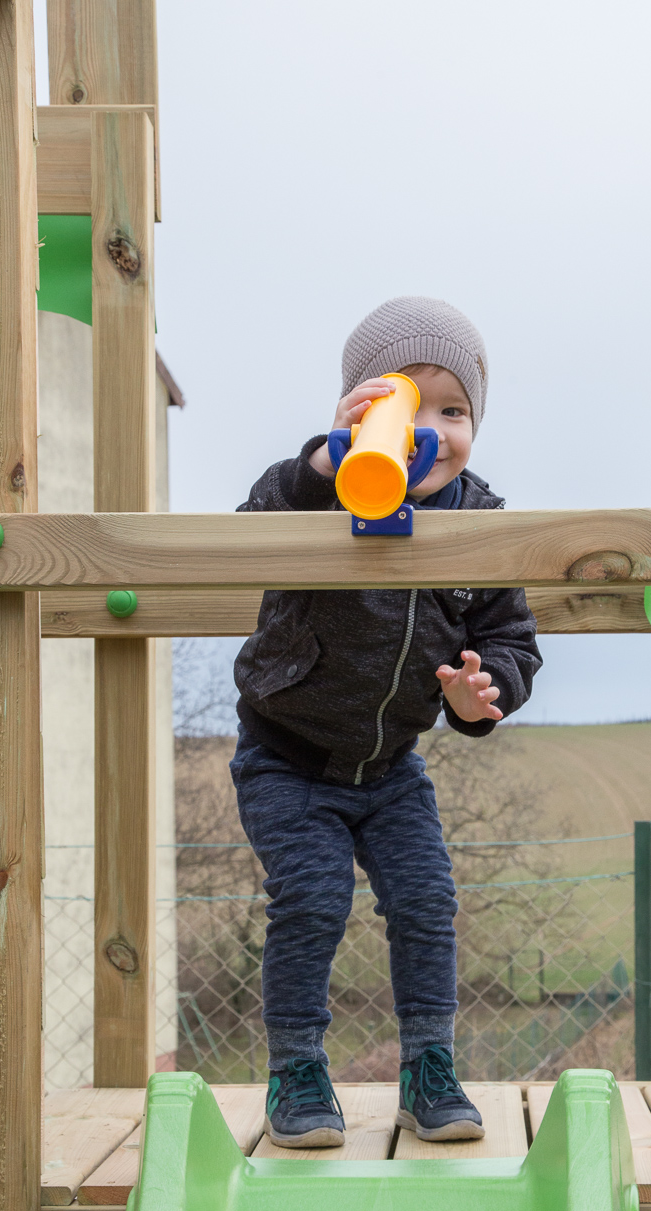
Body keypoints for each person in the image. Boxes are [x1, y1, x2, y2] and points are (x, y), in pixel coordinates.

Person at [232, 296, 542, 1147]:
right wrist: (320, 470)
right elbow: (250, 532)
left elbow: (508, 637)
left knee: (426, 897)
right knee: (314, 898)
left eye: (456, 412)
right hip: (286, 756)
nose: (433, 432)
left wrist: (486, 693)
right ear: (364, 411)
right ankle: (297, 1071)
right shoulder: (314, 491)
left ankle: (428, 1069)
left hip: (392, 765)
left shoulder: (480, 521)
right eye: (411, 407)